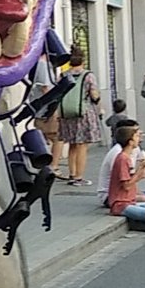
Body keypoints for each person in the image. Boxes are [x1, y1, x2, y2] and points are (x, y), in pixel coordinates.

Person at [96, 118, 145, 207]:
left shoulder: (134, 147)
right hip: (112, 195)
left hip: (127, 191)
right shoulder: (118, 154)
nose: (140, 133)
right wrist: (141, 191)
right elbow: (125, 183)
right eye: (137, 133)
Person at [57, 47, 101, 185]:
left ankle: (72, 173)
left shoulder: (63, 75)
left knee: (72, 144)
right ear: (83, 60)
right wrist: (98, 101)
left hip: (66, 114)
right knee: (82, 145)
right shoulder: (88, 75)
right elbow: (94, 94)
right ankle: (79, 177)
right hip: (83, 113)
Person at [106, 124, 145, 223]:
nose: (139, 139)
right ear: (130, 142)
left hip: (130, 201)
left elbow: (131, 178)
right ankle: (139, 224)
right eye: (136, 136)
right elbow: (126, 185)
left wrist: (141, 170)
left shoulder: (126, 158)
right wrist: (139, 175)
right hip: (121, 204)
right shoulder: (122, 159)